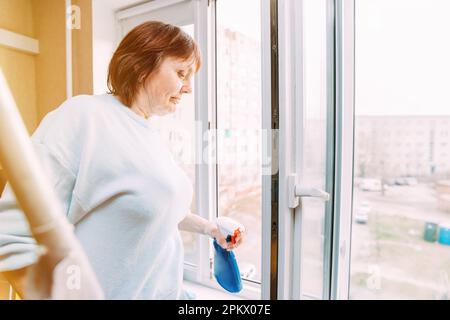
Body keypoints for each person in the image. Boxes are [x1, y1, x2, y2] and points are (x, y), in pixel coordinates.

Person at [0, 21, 243, 299]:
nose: (187, 88)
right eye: (181, 73)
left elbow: (155, 208)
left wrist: (209, 228)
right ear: (142, 67)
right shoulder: (83, 116)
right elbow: (10, 239)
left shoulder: (150, 133)